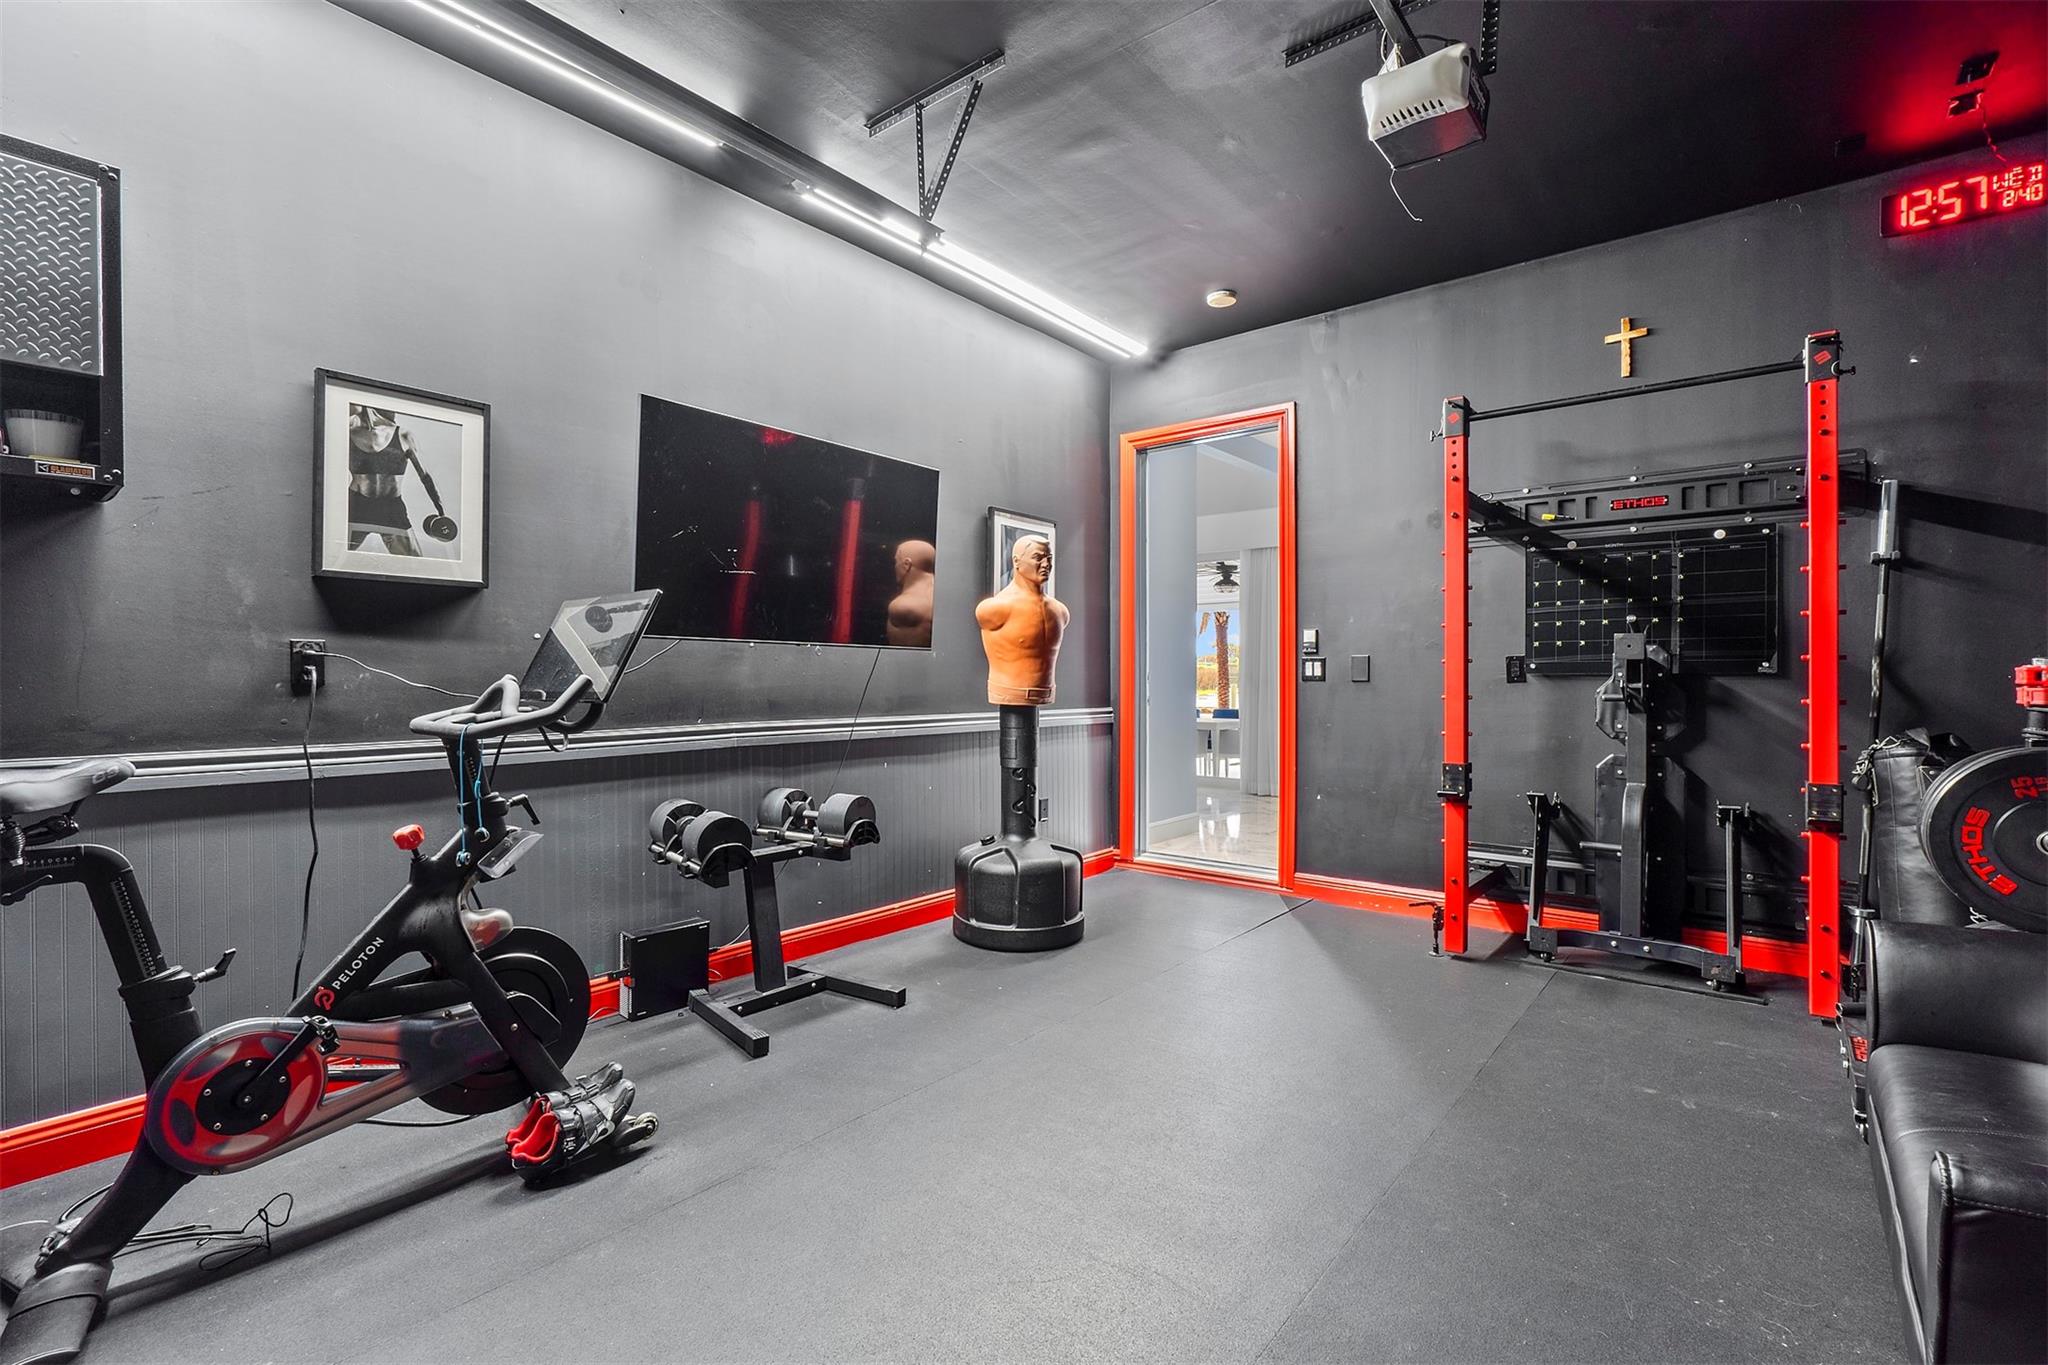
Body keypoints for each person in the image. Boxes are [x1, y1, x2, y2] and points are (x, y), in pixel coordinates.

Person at [346, 404, 453, 555]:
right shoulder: (346, 433)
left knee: (414, 562)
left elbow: (425, 476)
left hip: (391, 509)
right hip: (357, 506)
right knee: (332, 556)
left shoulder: (404, 436)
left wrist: (440, 509)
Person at [974, 534, 1068, 705]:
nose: (1046, 564)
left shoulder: (1060, 611)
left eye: (1049, 558)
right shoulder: (995, 608)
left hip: (1046, 691)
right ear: (1017, 562)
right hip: (1008, 691)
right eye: (1038, 558)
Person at [886, 539, 936, 647]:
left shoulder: (902, 605)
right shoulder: (941, 597)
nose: (895, 567)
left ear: (906, 564)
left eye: (896, 562)